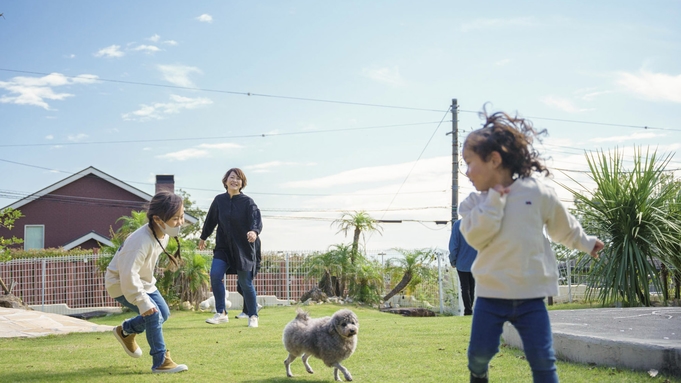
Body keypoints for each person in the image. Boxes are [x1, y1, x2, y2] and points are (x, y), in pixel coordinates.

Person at [458, 108, 604, 383]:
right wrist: (494, 203)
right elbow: (476, 236)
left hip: (531, 297)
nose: (466, 172)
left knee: (543, 360)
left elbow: (564, 227)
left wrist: (586, 242)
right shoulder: (474, 203)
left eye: (469, 162)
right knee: (479, 354)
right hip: (490, 296)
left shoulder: (537, 193)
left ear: (494, 159)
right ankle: (479, 375)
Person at [105, 191, 188, 374]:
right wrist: (142, 302)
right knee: (153, 314)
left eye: (181, 216)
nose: (180, 222)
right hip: (121, 284)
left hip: (144, 283)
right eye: (176, 218)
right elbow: (128, 275)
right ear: (158, 219)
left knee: (163, 314)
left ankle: (125, 331)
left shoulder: (163, 235)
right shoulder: (139, 241)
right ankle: (161, 361)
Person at [199, 167, 263, 328]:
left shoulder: (248, 202)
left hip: (243, 248)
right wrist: (203, 237)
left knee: (245, 282)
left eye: (238, 179)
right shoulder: (219, 200)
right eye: (232, 177)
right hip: (223, 247)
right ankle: (221, 313)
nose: (235, 181)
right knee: (215, 274)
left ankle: (253, 315)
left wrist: (254, 232)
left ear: (242, 183)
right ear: (226, 181)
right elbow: (210, 220)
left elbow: (256, 220)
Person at [448, 219, 477, 316]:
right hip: (475, 262)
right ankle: (469, 309)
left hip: (461, 262)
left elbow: (453, 245)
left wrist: (453, 260)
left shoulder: (457, 224)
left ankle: (468, 310)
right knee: (472, 287)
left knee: (465, 287)